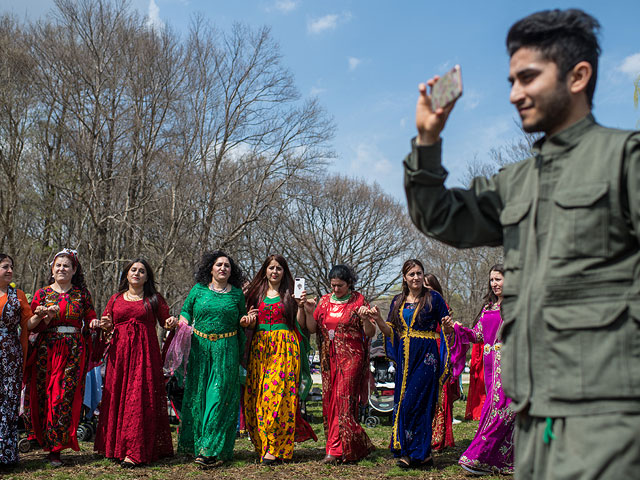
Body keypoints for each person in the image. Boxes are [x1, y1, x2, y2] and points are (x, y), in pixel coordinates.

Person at [403, 8, 640, 478]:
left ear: (578, 76)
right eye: (511, 80)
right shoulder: (516, 182)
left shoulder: (624, 159)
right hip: (535, 413)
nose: (514, 94)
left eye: (527, 77)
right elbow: (440, 216)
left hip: (610, 412)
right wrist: (427, 141)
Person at [94, 259, 178, 467]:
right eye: (134, 270)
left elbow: (166, 321)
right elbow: (107, 325)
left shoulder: (154, 299)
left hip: (145, 357)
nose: (137, 273)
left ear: (147, 277)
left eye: (142, 271)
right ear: (127, 274)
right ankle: (116, 447)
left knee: (138, 398)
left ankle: (135, 450)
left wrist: (171, 323)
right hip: (119, 356)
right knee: (118, 396)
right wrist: (104, 325)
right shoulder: (115, 299)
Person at [367, 260, 450, 468]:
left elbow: (446, 329)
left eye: (419, 273)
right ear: (404, 277)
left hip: (426, 357)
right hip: (405, 359)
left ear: (423, 275)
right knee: (403, 403)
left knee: (417, 403)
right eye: (411, 274)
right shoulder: (397, 301)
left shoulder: (434, 298)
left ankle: (414, 453)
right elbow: (390, 332)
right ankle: (420, 454)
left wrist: (448, 327)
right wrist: (378, 319)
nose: (416, 277)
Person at [23, 248, 103, 466]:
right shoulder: (41, 294)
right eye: (58, 265)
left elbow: (91, 318)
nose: (62, 269)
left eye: (66, 265)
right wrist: (41, 315)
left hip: (73, 352)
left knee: (63, 396)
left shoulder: (81, 295)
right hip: (45, 352)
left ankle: (56, 448)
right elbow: (31, 326)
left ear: (74, 269)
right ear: (52, 269)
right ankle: (43, 441)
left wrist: (95, 323)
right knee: (44, 396)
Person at [177, 251, 249, 467]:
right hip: (200, 348)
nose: (223, 268)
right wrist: (182, 324)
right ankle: (196, 445)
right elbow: (186, 312)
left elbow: (242, 320)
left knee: (217, 397)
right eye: (219, 265)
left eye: (227, 266)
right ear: (210, 268)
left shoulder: (236, 294)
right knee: (199, 397)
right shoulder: (198, 290)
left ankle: (209, 449)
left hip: (226, 349)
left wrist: (245, 321)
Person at [242, 254, 316, 465]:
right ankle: (265, 445)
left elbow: (300, 325)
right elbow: (248, 322)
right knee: (258, 398)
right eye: (271, 268)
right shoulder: (255, 294)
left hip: (285, 349)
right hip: (260, 349)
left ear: (284, 272)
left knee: (276, 397)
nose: (275, 272)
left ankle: (275, 448)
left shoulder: (290, 294)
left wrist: (301, 306)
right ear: (265, 270)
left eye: (279, 268)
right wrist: (249, 320)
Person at [444, 265, 515, 475]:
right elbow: (478, 336)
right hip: (491, 368)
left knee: (504, 410)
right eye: (492, 280)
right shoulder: (488, 309)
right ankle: (499, 461)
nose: (494, 284)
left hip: (512, 365)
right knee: (492, 410)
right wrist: (457, 329)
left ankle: (478, 455)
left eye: (499, 279)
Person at [303, 265, 374, 464]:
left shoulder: (358, 301)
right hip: (329, 357)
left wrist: (366, 318)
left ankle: (342, 449)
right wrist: (309, 312)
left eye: (340, 286)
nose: (335, 289)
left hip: (351, 357)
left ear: (349, 283)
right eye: (332, 285)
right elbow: (312, 328)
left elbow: (369, 333)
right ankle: (340, 446)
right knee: (331, 402)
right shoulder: (324, 301)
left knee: (344, 400)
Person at [0, 254, 43, 467]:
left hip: (10, 355)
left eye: (12, 267)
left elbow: (29, 323)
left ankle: (6, 455)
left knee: (8, 402)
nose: (10, 271)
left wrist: (43, 315)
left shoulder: (18, 296)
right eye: (5, 267)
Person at [423, 273, 459, 452]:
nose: (426, 290)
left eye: (429, 287)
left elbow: (450, 333)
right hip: (423, 350)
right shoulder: (418, 304)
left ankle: (439, 437)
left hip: (440, 349)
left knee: (440, 392)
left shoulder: (442, 306)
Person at [465, 343, 486, 421]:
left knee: (481, 387)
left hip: (482, 359)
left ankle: (480, 412)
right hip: (482, 358)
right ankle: (480, 412)